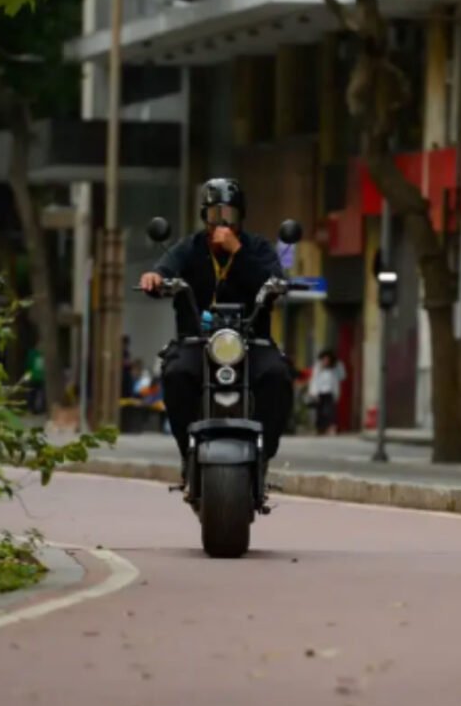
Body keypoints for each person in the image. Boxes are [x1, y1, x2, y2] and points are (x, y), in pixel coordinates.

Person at [139, 177, 295, 481]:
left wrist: (238, 252)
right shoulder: (190, 247)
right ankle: (188, 452)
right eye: (214, 216)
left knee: (277, 375)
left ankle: (264, 452)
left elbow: (272, 279)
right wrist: (154, 278)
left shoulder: (257, 247)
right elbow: (165, 268)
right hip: (197, 340)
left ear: (241, 218)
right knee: (175, 373)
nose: (221, 224)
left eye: (229, 216)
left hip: (252, 341)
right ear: (203, 217)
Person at [307, 350, 344, 435]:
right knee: (319, 412)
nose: (326, 361)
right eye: (324, 359)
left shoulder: (334, 369)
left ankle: (331, 428)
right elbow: (314, 380)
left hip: (330, 393)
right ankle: (320, 428)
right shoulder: (318, 368)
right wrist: (313, 392)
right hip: (319, 393)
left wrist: (338, 364)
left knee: (330, 411)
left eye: (328, 360)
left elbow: (342, 377)